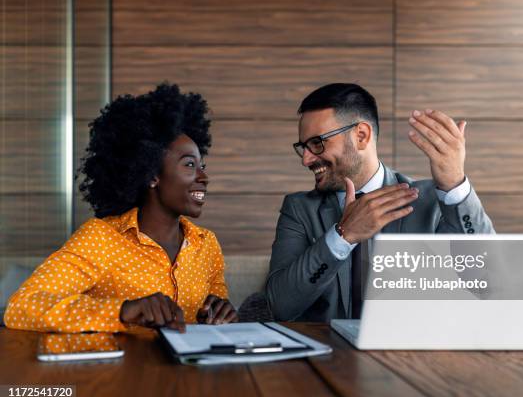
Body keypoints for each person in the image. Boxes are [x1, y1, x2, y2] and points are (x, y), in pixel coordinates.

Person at [4, 83, 238, 333]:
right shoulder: (101, 239)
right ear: (151, 176)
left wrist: (221, 312)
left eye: (203, 166)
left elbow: (216, 309)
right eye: (190, 165)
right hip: (123, 370)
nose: (204, 177)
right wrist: (122, 310)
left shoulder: (207, 245)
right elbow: (22, 307)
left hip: (191, 371)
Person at [266, 83, 495, 322]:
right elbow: (280, 306)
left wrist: (455, 186)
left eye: (316, 143)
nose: (306, 159)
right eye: (303, 147)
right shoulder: (299, 209)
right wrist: (342, 236)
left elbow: (488, 282)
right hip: (328, 355)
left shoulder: (432, 201)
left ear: (361, 136)